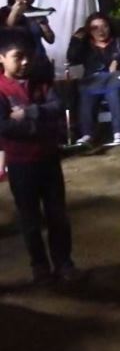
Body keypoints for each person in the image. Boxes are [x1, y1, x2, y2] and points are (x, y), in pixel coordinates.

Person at [0, 27, 80, 284]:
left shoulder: (41, 82)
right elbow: (3, 126)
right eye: (18, 56)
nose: (25, 62)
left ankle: (64, 264)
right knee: (30, 219)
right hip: (21, 164)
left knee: (58, 215)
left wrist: (29, 113)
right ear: (1, 57)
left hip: (48, 160)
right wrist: (40, 122)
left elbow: (57, 107)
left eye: (28, 57)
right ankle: (40, 266)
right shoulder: (1, 90)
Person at [66, 12, 120, 147]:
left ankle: (118, 132)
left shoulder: (118, 41)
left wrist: (117, 59)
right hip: (93, 81)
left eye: (104, 27)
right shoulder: (85, 45)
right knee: (85, 92)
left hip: (114, 80)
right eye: (95, 28)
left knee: (113, 92)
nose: (100, 31)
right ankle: (87, 134)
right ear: (89, 31)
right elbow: (72, 57)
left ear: (110, 27)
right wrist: (76, 39)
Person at [0, 0, 55, 82]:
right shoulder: (4, 12)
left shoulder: (37, 12)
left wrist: (43, 24)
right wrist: (14, 12)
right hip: (16, 64)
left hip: (39, 63)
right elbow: (5, 32)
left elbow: (51, 39)